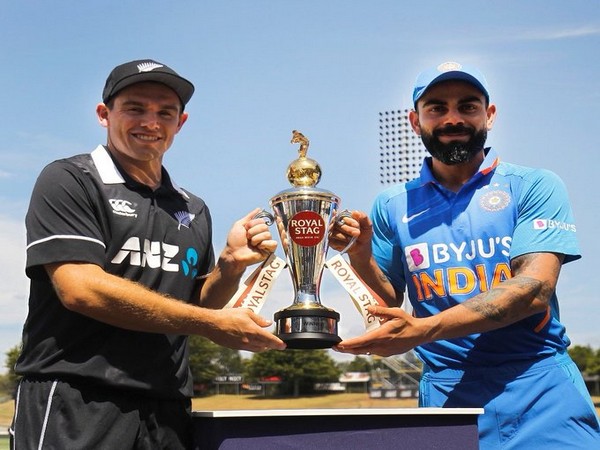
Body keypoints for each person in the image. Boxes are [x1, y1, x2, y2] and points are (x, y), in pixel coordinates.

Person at [10, 59, 286, 449]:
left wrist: (228, 266)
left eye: (164, 112)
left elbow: (195, 305)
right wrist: (212, 325)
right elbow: (81, 289)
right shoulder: (71, 179)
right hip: (78, 398)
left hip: (167, 407)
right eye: (135, 108)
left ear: (181, 123)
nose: (150, 122)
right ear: (104, 115)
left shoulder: (192, 208)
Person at [331, 61, 600, 449]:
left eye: (468, 106)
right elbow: (387, 300)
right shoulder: (391, 204)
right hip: (447, 392)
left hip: (539, 387)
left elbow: (533, 288)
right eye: (437, 107)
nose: (452, 118)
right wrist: (361, 259)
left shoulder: (533, 185)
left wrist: (422, 330)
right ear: (414, 120)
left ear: (489, 115)